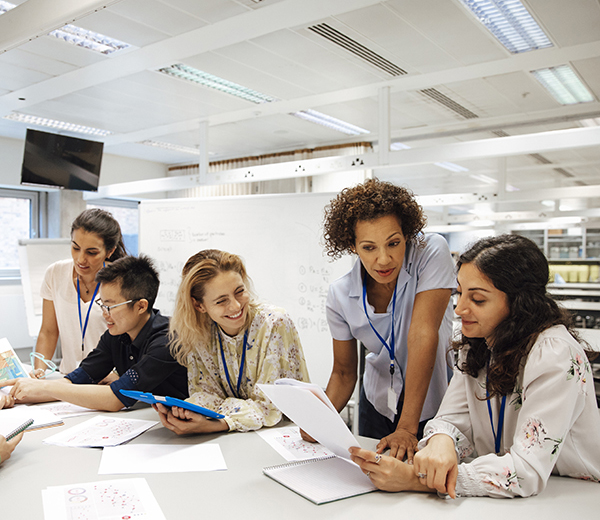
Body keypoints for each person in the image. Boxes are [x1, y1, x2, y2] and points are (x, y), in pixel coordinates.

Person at [349, 234, 600, 498]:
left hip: (572, 494)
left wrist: (416, 478)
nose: (459, 309)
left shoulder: (554, 354)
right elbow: (450, 418)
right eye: (460, 293)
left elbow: (525, 471)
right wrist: (442, 442)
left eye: (478, 299)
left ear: (519, 304)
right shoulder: (479, 343)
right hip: (507, 495)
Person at [312, 179, 455, 462]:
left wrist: (406, 428)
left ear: (407, 235)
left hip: (432, 403)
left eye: (394, 243)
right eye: (369, 247)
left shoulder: (431, 252)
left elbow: (423, 334)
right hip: (376, 404)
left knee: (425, 487)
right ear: (351, 246)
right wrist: (319, 422)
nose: (384, 259)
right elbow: (343, 373)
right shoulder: (340, 294)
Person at [1, 255, 188, 411]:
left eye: (110, 306)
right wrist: (18, 393)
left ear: (141, 306)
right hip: (149, 420)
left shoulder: (168, 340)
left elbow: (116, 398)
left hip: (189, 430)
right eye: (102, 304)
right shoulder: (116, 335)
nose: (104, 313)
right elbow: (77, 381)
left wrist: (45, 387)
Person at [154, 249, 309, 435]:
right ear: (199, 305)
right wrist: (186, 411)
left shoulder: (274, 323)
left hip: (284, 435)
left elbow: (269, 408)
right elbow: (205, 396)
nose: (236, 306)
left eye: (240, 291)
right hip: (233, 437)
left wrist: (217, 423)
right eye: (221, 301)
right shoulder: (200, 331)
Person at [32, 208, 127, 376]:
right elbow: (48, 332)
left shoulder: (122, 281)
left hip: (107, 380)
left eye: (92, 252)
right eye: (76, 248)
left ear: (110, 251)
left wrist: (119, 374)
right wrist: (39, 370)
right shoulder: (55, 273)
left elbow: (130, 339)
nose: (81, 259)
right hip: (68, 378)